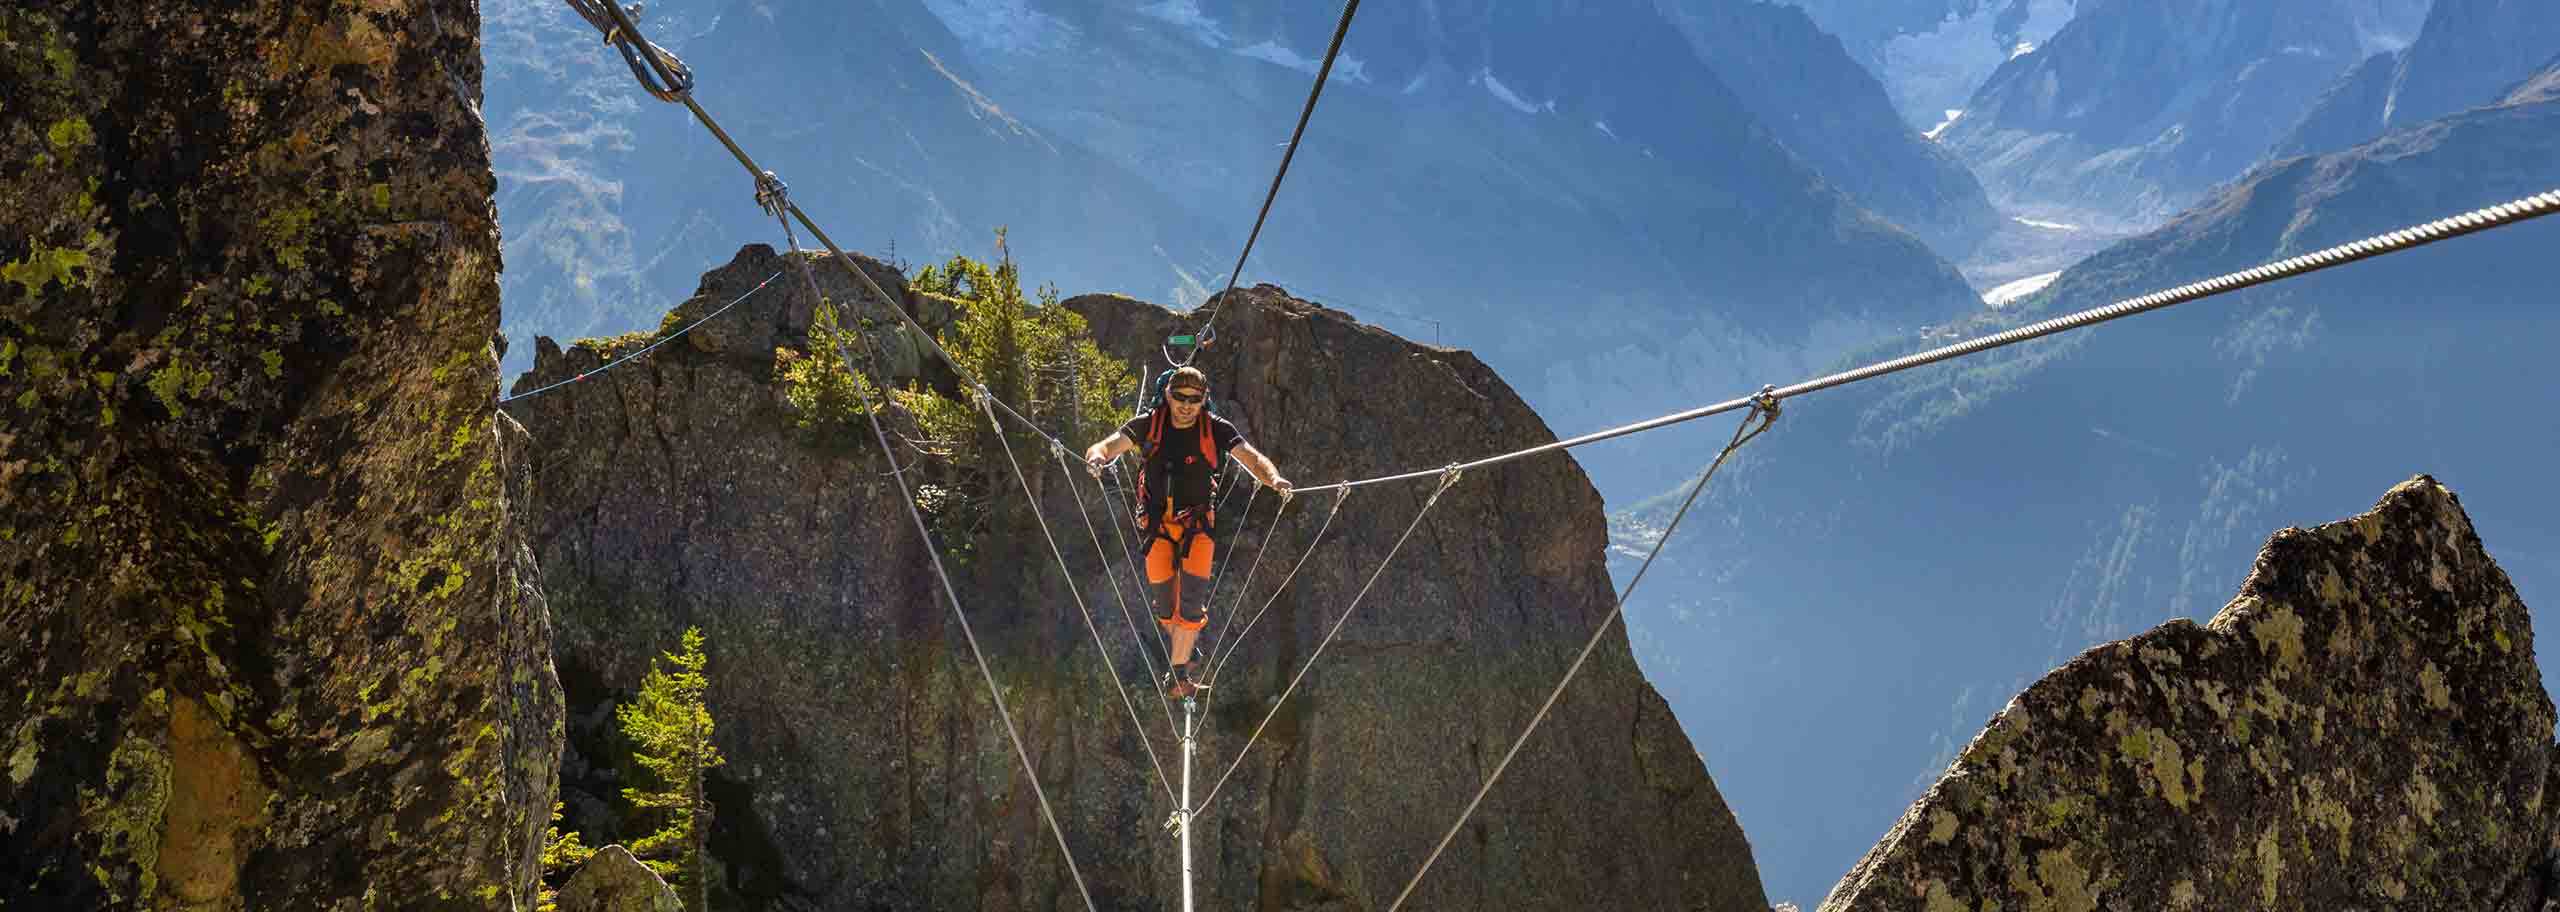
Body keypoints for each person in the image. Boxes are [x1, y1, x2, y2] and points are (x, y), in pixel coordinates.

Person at [1084, 366, 1291, 697]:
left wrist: (1275, 479)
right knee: (1166, 608)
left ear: (1203, 400)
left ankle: (1177, 674)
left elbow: (1253, 460)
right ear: (1168, 396)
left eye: (1194, 399)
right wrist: (1096, 459)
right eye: (1179, 397)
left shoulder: (1216, 429)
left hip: (1197, 527)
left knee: (1191, 604)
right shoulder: (1149, 424)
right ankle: (1185, 647)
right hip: (1156, 528)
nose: (1186, 405)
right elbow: (1106, 447)